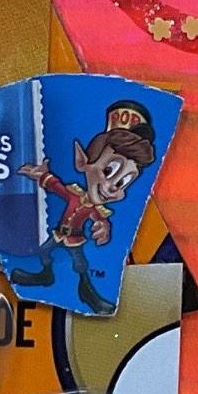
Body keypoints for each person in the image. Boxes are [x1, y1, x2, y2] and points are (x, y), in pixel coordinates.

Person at [10, 100, 156, 314]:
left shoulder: (95, 208)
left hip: (75, 239)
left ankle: (87, 291)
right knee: (43, 250)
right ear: (82, 161)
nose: (112, 188)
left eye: (122, 183)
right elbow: (57, 187)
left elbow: (100, 218)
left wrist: (103, 228)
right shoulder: (75, 193)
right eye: (108, 171)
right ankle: (45, 274)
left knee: (80, 264)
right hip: (59, 234)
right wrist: (42, 175)